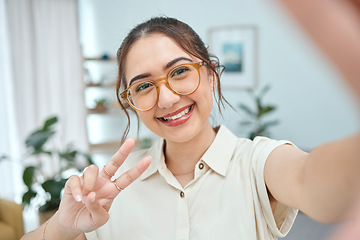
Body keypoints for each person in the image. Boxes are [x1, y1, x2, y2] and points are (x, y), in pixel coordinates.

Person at [21, 16, 360, 240]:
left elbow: (313, 180)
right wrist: (62, 228)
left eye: (180, 71)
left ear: (211, 75)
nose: (166, 98)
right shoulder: (111, 189)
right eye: (143, 86)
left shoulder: (258, 163)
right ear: (130, 102)